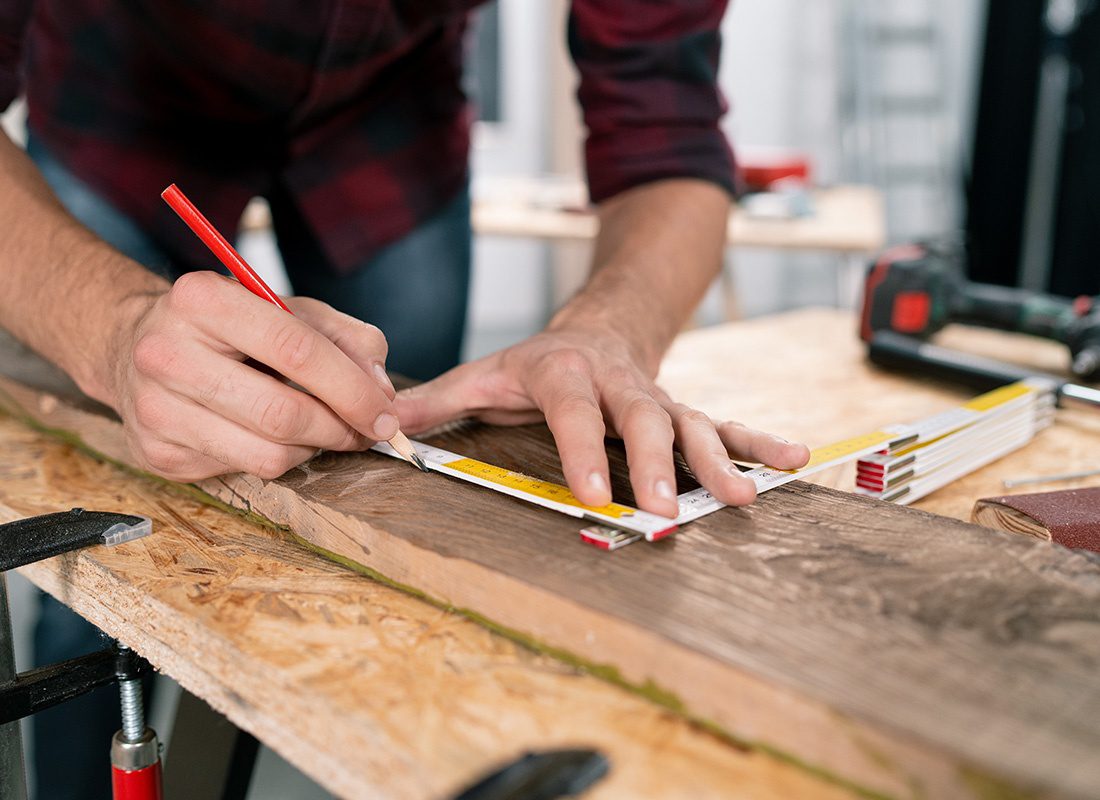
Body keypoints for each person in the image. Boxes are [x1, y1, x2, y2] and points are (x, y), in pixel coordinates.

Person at [0, 3, 809, 798]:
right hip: (120, 102)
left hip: (388, 130)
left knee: (389, 526)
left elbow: (667, 129)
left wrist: (609, 331)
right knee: (110, 553)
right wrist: (110, 330)